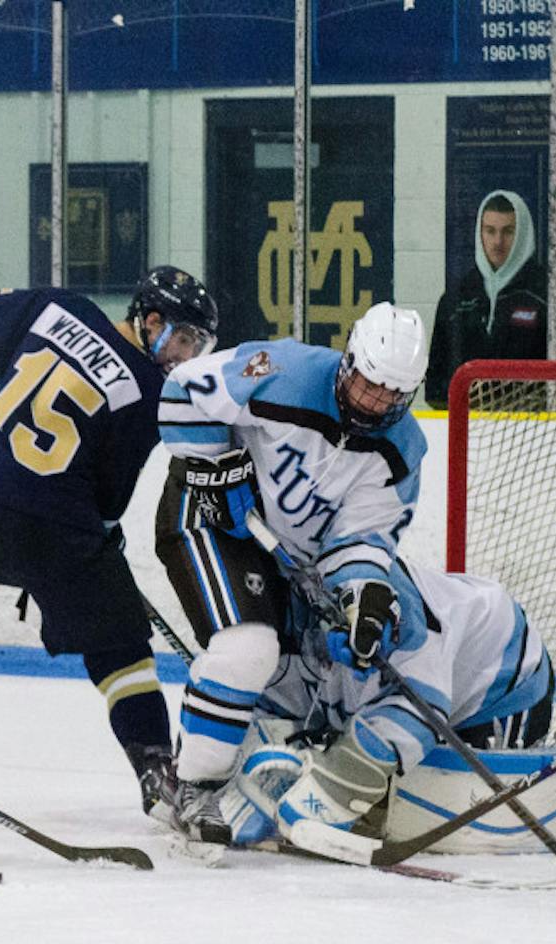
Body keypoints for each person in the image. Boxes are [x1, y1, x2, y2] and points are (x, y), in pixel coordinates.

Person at [0, 267, 219, 827]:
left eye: (197, 345)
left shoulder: (56, 307)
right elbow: (107, 500)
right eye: (184, 339)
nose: (186, 356)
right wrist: (101, 534)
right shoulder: (150, 392)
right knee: (120, 647)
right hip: (53, 524)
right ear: (150, 320)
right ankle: (156, 770)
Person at [154, 301, 429, 855]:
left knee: (300, 670)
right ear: (349, 361)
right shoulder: (280, 369)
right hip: (207, 516)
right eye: (370, 385)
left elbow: (362, 540)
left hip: (282, 558)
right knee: (248, 648)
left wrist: (362, 600)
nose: (375, 402)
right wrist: (216, 469)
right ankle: (193, 788)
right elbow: (183, 391)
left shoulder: (401, 454)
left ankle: (231, 765)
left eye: (391, 396)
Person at [222, 559, 554, 851]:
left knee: (423, 777)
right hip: (439, 656)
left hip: (504, 680)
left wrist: (338, 784)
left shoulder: (396, 620)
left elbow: (421, 710)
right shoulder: (277, 630)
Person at [425, 190, 556, 408]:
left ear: (523, 234)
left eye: (508, 231)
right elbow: (434, 383)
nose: (498, 241)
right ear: (480, 233)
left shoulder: (551, 298)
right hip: (465, 430)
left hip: (534, 430)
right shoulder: (455, 299)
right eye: (490, 231)